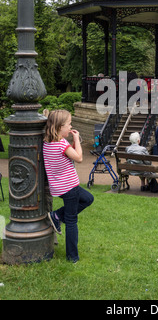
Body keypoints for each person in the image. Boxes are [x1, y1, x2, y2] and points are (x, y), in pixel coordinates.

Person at [43, 110, 94, 264]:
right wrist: (77, 139)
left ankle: (57, 215)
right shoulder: (61, 144)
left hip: (60, 186)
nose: (71, 127)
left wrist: (71, 143)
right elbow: (78, 157)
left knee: (88, 198)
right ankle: (72, 257)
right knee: (72, 221)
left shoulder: (48, 142)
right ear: (59, 127)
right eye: (69, 125)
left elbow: (65, 156)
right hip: (69, 187)